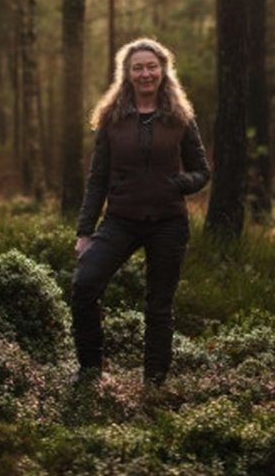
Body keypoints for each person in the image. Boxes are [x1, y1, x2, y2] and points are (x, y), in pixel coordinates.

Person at [71, 37, 211, 386]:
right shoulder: (111, 119)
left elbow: (202, 171)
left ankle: (155, 383)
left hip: (168, 224)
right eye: (138, 67)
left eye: (152, 66)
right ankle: (90, 373)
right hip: (121, 221)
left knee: (158, 306)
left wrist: (179, 184)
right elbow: (96, 179)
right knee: (85, 285)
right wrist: (85, 232)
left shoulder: (181, 118)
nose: (146, 73)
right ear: (127, 74)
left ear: (163, 71)